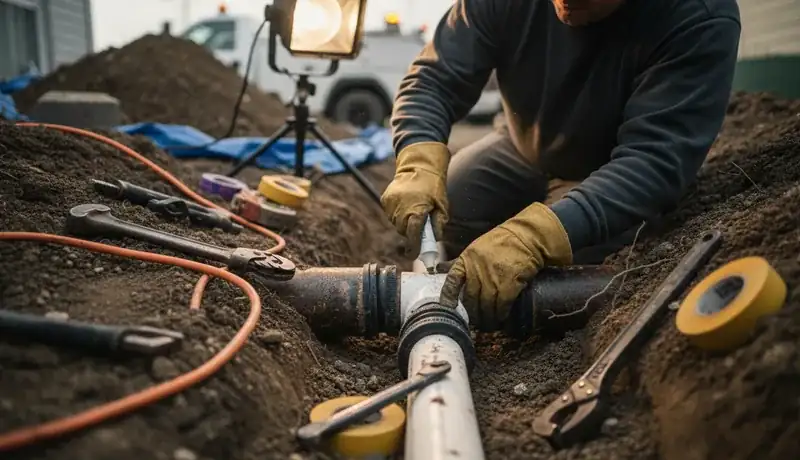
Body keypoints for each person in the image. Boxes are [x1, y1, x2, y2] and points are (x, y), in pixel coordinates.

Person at [380, 0, 741, 330]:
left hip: (609, 172)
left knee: (570, 274)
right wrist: (417, 161)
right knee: (456, 205)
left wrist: (536, 238)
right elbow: (435, 79)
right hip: (520, 149)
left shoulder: (698, 15)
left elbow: (654, 160)